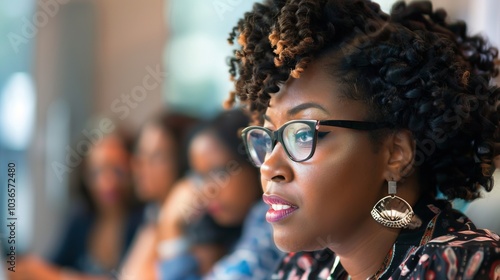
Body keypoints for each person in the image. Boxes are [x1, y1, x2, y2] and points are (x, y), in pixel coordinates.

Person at [226, 0, 500, 279]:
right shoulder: (306, 267)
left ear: (395, 153)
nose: (270, 167)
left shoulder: (459, 265)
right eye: (270, 136)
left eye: (304, 134)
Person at [156, 109, 283, 279]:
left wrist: (170, 228)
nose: (208, 190)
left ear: (254, 161)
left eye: (219, 173)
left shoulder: (272, 221)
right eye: (200, 177)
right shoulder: (222, 232)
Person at [15, 129, 142, 280]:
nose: (107, 183)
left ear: (133, 168)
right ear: (84, 176)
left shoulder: (144, 221)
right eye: (96, 172)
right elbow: (49, 265)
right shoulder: (81, 217)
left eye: (117, 170)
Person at [119, 112, 199, 280]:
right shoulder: (153, 211)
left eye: (156, 156)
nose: (140, 166)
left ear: (183, 162)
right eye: (140, 154)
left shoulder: (196, 219)